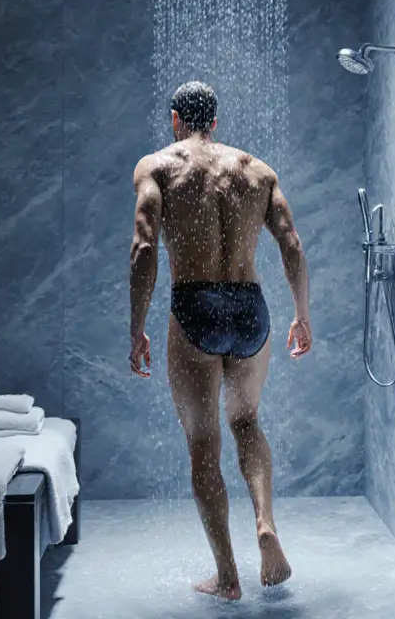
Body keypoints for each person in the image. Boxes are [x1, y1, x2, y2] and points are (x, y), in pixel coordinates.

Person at [128, 81, 313, 600]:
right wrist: (301, 315)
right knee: (247, 421)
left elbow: (144, 246)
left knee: (203, 444)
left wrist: (136, 327)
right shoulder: (256, 170)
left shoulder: (158, 167)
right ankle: (265, 522)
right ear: (214, 120)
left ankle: (228, 577)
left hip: (194, 307)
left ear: (175, 120)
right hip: (251, 309)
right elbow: (292, 244)